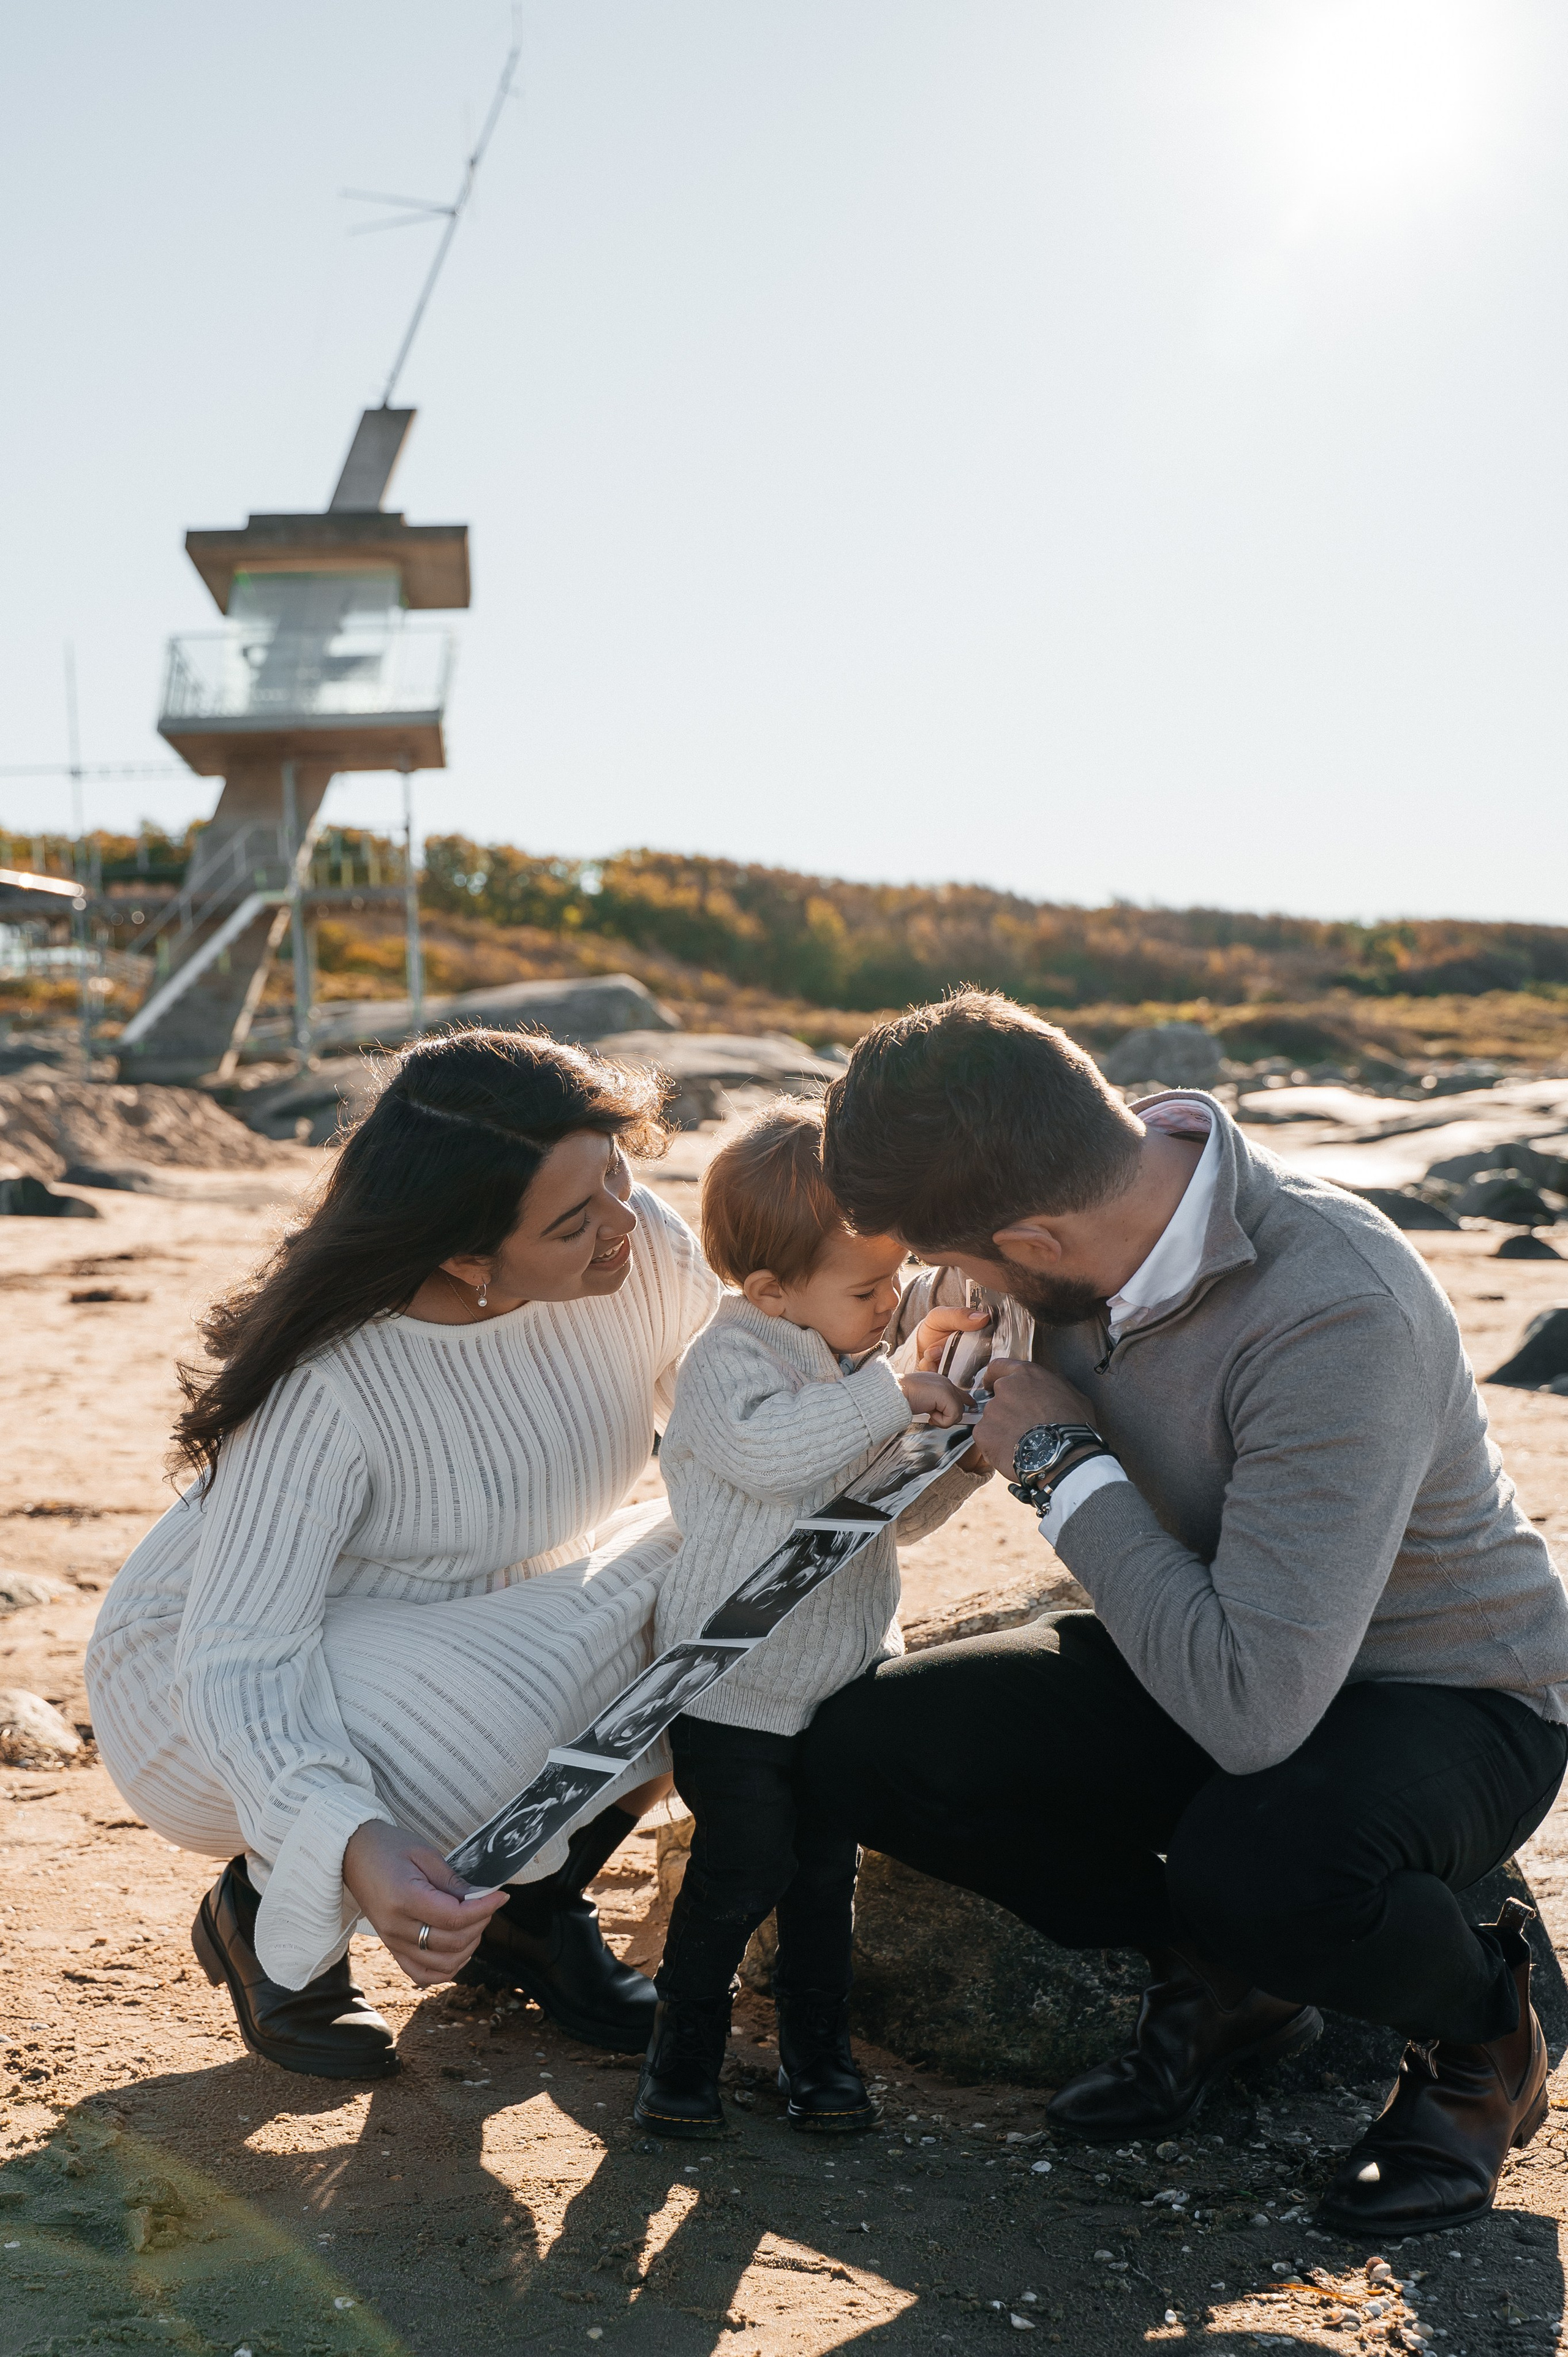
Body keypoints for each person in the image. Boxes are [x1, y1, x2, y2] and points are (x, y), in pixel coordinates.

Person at [807, 989, 1568, 2238]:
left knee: (1261, 1868)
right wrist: (920, 1400)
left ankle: (1484, 2036)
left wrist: (1059, 1462)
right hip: (1210, 1636)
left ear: (1035, 1234)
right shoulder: (1046, 1230)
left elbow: (1255, 1714)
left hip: (1448, 1688)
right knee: (863, 1748)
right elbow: (908, 1517)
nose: (947, 1281)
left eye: (963, 1261)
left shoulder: (1334, 1304)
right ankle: (1230, 1987)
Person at [86, 1029, 720, 2079]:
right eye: (574, 1221)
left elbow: (736, 1438)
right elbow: (239, 1657)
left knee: (733, 1579)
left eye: (616, 1172)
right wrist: (351, 1839)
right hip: (202, 1679)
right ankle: (268, 1906)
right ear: (466, 1258)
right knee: (490, 1732)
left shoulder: (632, 1243)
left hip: (468, 1620)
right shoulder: (330, 1384)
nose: (623, 1221)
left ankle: (529, 1908)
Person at [633, 1100, 982, 2138]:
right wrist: (894, 1394)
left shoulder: (851, 1366)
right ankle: (681, 2061)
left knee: (827, 1884)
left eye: (895, 1281)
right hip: (732, 1683)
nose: (890, 1305)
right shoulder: (728, 1362)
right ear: (770, 1291)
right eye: (867, 1291)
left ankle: (818, 2058)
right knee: (739, 1872)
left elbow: (888, 1519)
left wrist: (959, 1451)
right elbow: (771, 1457)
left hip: (841, 1679)